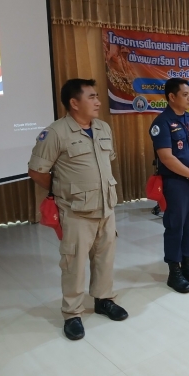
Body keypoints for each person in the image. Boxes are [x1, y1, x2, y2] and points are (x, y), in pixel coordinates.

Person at [27, 79, 128, 341]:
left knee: (105, 258)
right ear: (74, 103)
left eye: (97, 97)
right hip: (75, 212)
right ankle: (72, 313)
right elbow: (37, 171)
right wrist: (63, 190)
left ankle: (104, 300)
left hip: (106, 207)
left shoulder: (103, 128)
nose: (98, 102)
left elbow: (107, 162)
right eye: (91, 97)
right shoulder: (55, 133)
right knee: (74, 264)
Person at [149, 77, 189, 293]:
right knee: (175, 226)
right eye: (185, 95)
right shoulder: (161, 123)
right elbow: (166, 157)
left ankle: (188, 265)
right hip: (176, 183)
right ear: (172, 97)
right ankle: (174, 271)